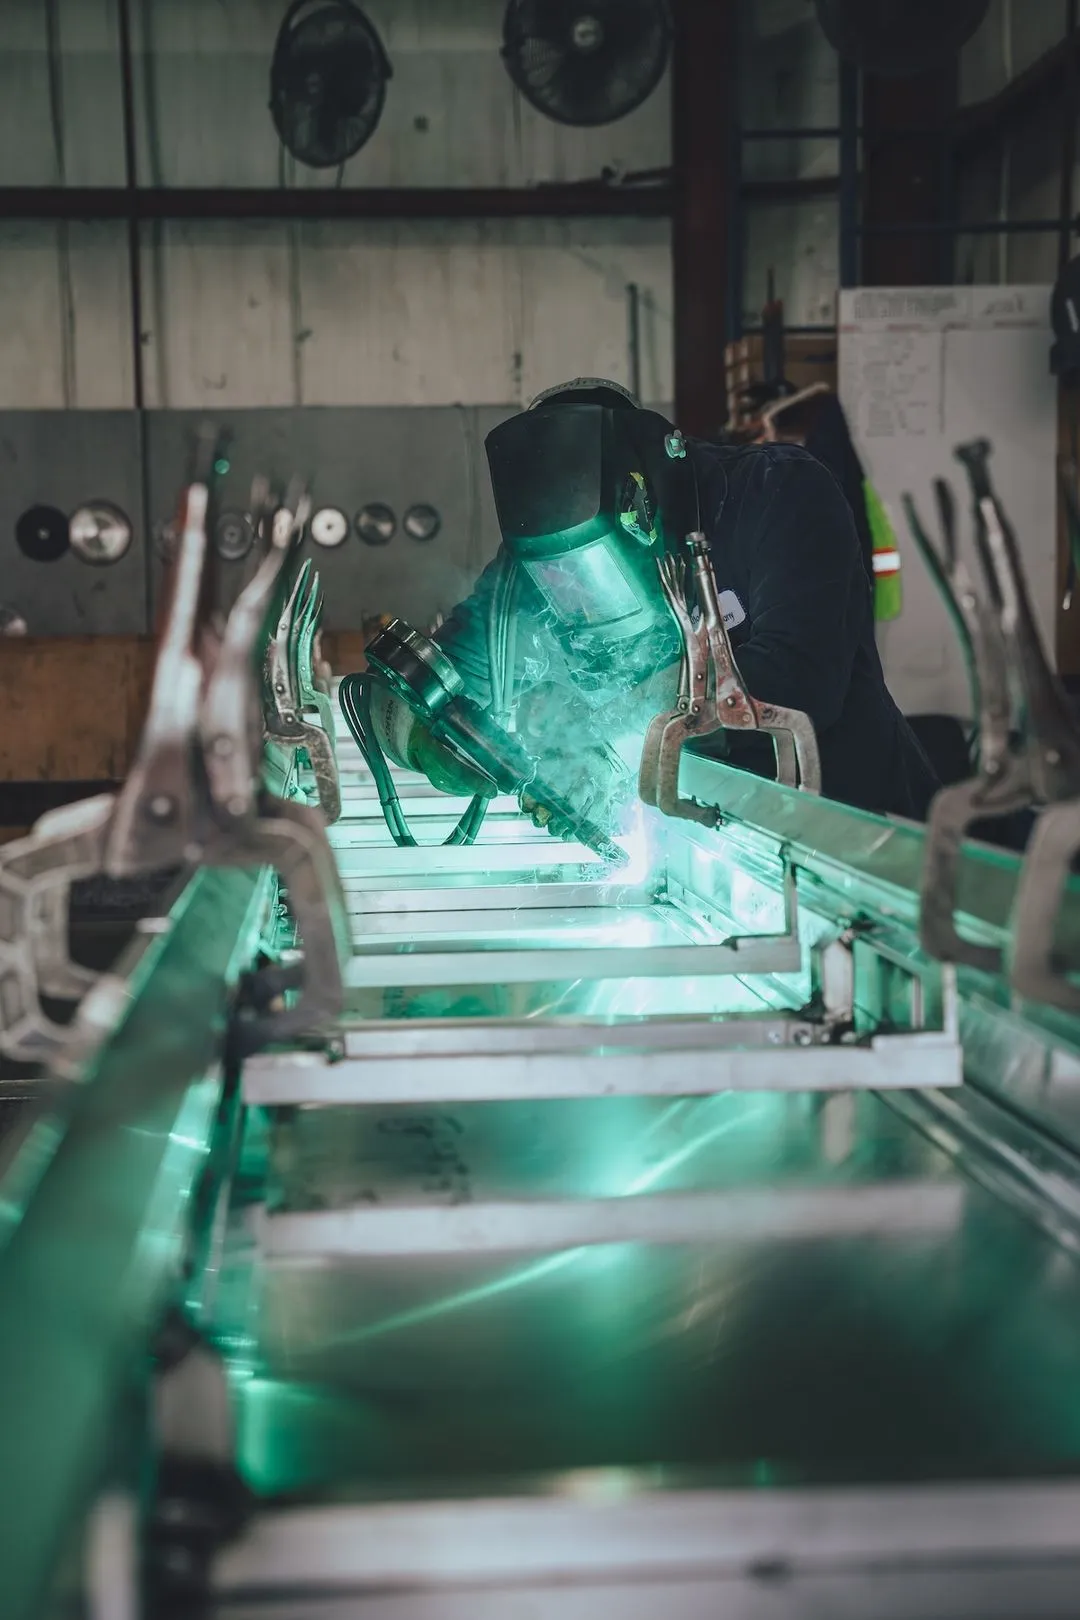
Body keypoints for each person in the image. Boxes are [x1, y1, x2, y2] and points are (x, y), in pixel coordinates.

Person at [367, 378, 939, 836]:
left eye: (593, 563)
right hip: (710, 850)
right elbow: (414, 684)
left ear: (644, 495)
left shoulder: (775, 494)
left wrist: (607, 740)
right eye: (556, 574)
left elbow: (801, 678)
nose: (576, 594)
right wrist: (428, 747)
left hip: (856, 836)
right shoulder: (531, 570)